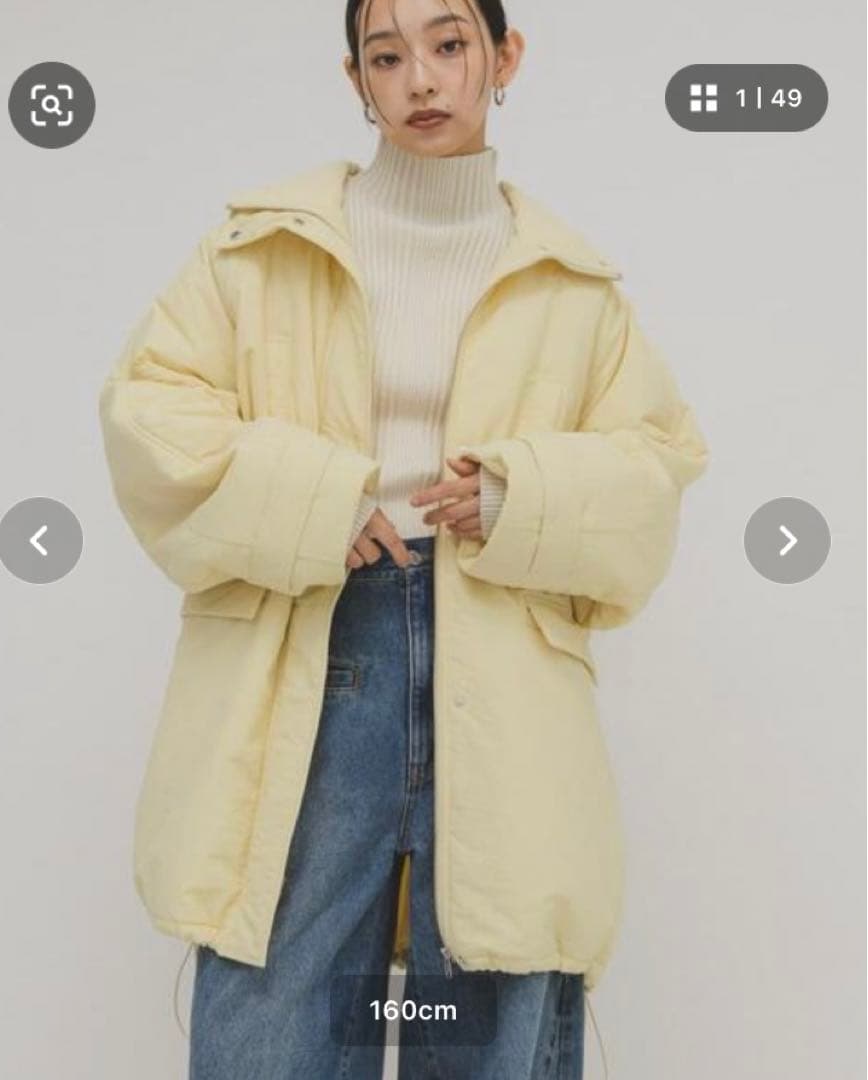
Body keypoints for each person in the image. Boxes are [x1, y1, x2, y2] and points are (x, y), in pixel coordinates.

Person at [98, 1, 709, 1076]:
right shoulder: (259, 249)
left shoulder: (573, 285)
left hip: (503, 656)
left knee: (495, 981)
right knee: (275, 996)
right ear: (356, 81)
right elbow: (147, 414)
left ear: (503, 57)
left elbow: (656, 472)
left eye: (448, 44)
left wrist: (520, 497)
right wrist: (315, 500)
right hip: (312, 644)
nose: (420, 79)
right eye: (386, 56)